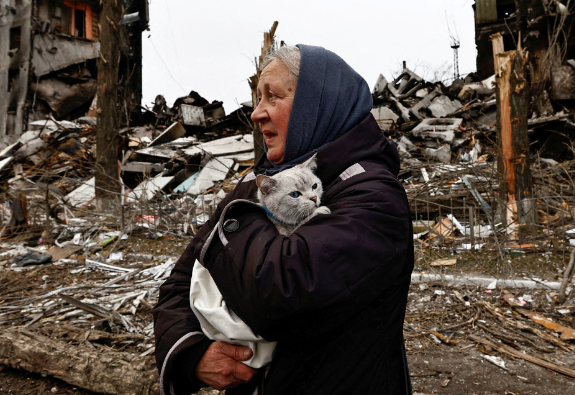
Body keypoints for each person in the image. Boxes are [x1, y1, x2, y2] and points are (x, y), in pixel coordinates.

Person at [153, 44, 414, 395]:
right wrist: (190, 353)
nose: (256, 113)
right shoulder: (262, 181)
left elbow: (282, 293)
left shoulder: (374, 197)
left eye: (272, 97)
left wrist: (236, 219)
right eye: (257, 98)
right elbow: (180, 282)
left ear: (318, 103)